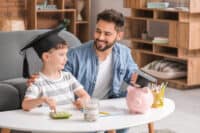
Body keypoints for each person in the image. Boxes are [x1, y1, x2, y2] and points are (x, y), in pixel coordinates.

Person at [65, 9, 138, 133]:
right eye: (98, 31)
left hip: (109, 106)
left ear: (119, 36)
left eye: (107, 34)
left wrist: (139, 82)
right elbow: (60, 79)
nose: (100, 37)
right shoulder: (75, 55)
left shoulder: (124, 53)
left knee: (127, 120)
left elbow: (133, 75)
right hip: (82, 109)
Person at [21, 26, 90, 111]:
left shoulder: (68, 77)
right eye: (61, 55)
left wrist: (83, 100)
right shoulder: (37, 81)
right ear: (46, 57)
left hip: (70, 120)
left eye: (66, 54)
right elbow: (25, 105)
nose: (66, 59)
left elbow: (85, 96)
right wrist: (42, 99)